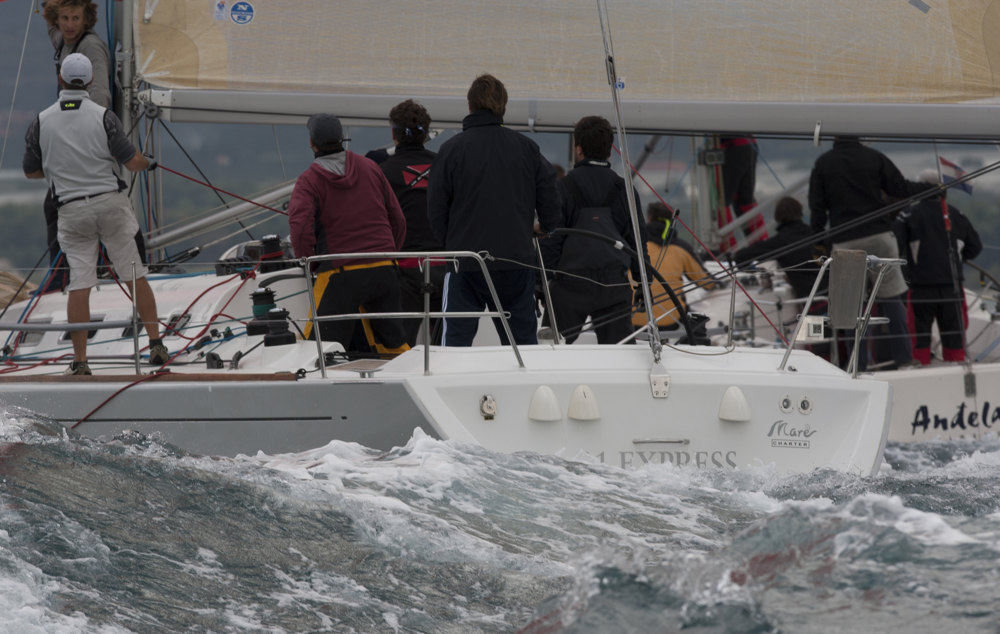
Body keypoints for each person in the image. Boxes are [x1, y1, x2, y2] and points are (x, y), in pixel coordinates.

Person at [22, 53, 166, 375]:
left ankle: (81, 361)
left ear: (60, 79)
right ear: (89, 81)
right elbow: (131, 162)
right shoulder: (104, 117)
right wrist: (149, 162)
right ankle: (156, 343)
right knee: (134, 273)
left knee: (80, 282)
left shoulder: (41, 121)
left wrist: (59, 169)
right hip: (109, 204)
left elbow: (31, 171)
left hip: (71, 210)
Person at [427, 74, 561, 346]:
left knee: (455, 346)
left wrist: (451, 244)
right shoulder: (527, 148)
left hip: (465, 261)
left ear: (470, 105)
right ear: (503, 107)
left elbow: (435, 210)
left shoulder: (451, 150)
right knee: (522, 345)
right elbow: (551, 198)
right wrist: (544, 227)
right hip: (515, 261)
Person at [287, 113, 410, 356]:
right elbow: (398, 220)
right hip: (384, 269)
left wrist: (310, 263)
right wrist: (387, 254)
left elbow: (300, 230)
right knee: (392, 345)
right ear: (342, 137)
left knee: (318, 349)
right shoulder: (371, 167)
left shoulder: (309, 181)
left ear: (311, 143)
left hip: (339, 273)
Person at [808, 136, 932, 370]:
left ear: (835, 139)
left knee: (850, 307)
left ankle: (857, 365)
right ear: (859, 138)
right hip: (880, 237)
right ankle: (905, 360)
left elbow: (817, 207)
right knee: (891, 299)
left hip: (845, 242)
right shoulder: (874, 157)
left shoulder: (823, 163)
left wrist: (818, 243)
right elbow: (900, 188)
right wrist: (931, 189)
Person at [541, 115, 645, 344]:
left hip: (570, 287)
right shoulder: (625, 190)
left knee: (551, 351)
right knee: (620, 353)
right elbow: (637, 241)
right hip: (614, 286)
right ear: (609, 150)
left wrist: (541, 284)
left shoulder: (563, 187)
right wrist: (643, 284)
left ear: (578, 149)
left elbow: (551, 240)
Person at [41, 0, 117, 291]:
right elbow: (51, 27)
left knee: (60, 203)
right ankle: (80, 271)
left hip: (87, 140)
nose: (69, 24)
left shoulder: (90, 47)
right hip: (74, 138)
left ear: (86, 19)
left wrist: (83, 133)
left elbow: (99, 96)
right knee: (62, 204)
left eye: (75, 18)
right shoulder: (63, 39)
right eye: (64, 18)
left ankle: (65, 275)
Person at [894, 170, 982, 365]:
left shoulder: (908, 215)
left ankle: (921, 370)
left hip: (921, 288)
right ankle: (956, 371)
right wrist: (957, 260)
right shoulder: (957, 214)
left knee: (919, 339)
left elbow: (896, 247)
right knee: (954, 339)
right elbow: (975, 246)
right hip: (952, 287)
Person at [377, 99, 445, 346]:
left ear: (393, 134)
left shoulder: (382, 172)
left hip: (404, 269)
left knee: (401, 348)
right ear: (425, 134)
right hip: (447, 265)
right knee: (446, 347)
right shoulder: (444, 164)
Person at [634, 203, 716, 331]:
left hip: (634, 322)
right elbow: (707, 282)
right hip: (671, 322)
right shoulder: (681, 248)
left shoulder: (634, 246)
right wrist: (718, 282)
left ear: (649, 219)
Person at [733, 196, 826, 300]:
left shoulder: (780, 241)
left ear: (778, 217)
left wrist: (753, 270)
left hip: (813, 303)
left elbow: (741, 257)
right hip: (832, 297)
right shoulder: (818, 235)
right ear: (800, 213)